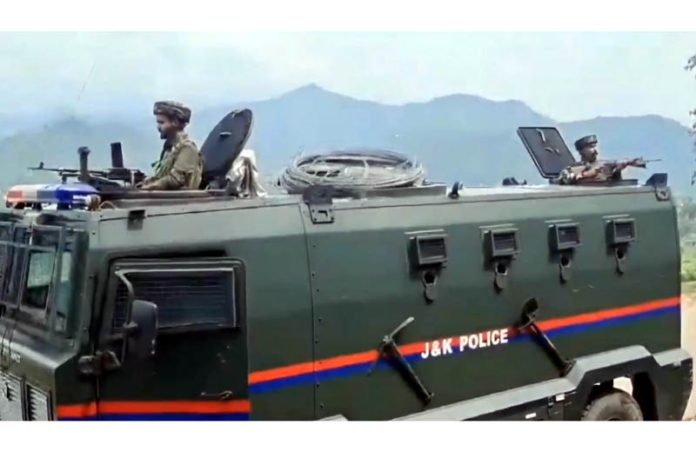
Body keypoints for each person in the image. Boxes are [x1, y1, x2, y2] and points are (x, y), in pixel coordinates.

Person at [139, 101, 203, 190]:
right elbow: (161, 175)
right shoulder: (170, 148)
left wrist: (149, 187)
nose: (158, 127)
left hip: (181, 201)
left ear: (175, 123)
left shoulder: (187, 148)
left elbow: (176, 179)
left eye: (162, 122)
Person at [558, 134, 646, 184]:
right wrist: (590, 173)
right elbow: (563, 180)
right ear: (581, 151)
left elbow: (614, 185)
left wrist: (618, 170)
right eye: (591, 147)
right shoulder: (574, 168)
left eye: (595, 146)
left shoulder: (604, 165)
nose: (595, 150)